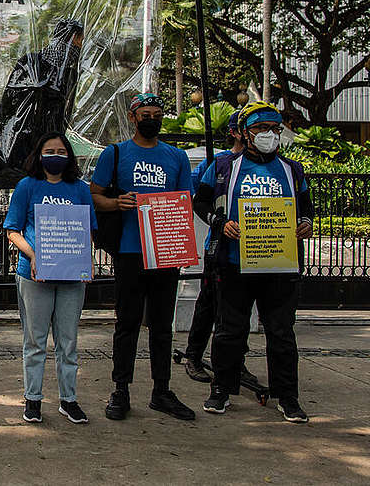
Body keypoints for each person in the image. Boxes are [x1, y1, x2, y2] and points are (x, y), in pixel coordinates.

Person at [193, 102, 314, 422]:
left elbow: (306, 206)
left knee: (281, 333)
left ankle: (287, 397)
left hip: (279, 264)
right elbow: (200, 200)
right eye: (262, 129)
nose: (270, 135)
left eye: (275, 129)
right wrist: (219, 223)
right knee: (229, 332)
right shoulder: (223, 168)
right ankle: (221, 389)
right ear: (245, 133)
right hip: (233, 263)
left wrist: (305, 222)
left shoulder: (292, 170)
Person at [90, 93, 196, 421]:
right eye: (145, 114)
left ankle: (161, 390)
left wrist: (180, 244)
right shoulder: (116, 152)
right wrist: (115, 203)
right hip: (129, 250)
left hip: (164, 251)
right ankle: (120, 389)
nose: (151, 119)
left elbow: (186, 202)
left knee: (163, 326)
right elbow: (93, 195)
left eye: (156, 114)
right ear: (133, 118)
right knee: (127, 323)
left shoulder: (176, 157)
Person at [4, 132, 96, 424]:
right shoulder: (27, 186)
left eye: (60, 150)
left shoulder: (80, 189)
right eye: (49, 150)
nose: (55, 155)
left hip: (71, 276)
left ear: (69, 155)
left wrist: (83, 258)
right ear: (39, 155)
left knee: (68, 341)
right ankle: (33, 399)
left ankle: (68, 399)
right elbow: (12, 230)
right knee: (35, 341)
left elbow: (89, 229)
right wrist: (34, 256)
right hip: (34, 276)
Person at [0, 19, 84, 190]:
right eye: (79, 40)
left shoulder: (69, 73)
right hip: (18, 133)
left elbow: (65, 111)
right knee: (10, 172)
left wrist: (58, 140)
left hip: (46, 137)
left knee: (32, 177)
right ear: (70, 38)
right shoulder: (32, 62)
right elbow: (9, 98)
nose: (80, 46)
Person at [184, 110, 258, 385]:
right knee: (208, 301)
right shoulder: (218, 163)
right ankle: (194, 355)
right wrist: (217, 220)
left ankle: (236, 361)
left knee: (239, 311)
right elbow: (195, 197)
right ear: (236, 132)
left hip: (255, 249)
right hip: (219, 247)